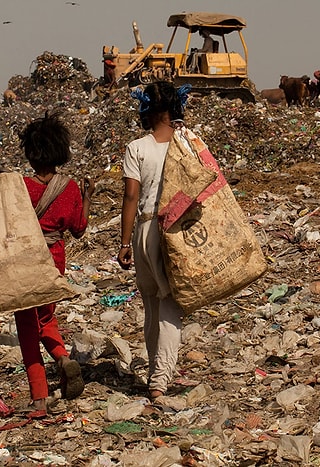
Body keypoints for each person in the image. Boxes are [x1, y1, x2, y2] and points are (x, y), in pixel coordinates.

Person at [16, 112, 95, 415]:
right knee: (46, 317)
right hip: (55, 259)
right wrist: (87, 197)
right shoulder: (70, 187)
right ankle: (62, 359)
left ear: (31, 152)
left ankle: (39, 398)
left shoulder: (21, 186)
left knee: (26, 326)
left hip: (27, 260)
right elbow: (78, 228)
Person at [118, 81, 190, 401]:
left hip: (144, 231)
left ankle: (152, 371)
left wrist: (124, 243)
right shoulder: (186, 144)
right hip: (174, 230)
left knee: (150, 305)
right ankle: (160, 380)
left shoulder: (137, 148)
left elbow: (131, 196)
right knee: (170, 305)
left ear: (147, 109)